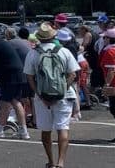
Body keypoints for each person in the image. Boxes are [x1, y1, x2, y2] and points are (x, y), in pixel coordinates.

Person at [24, 23, 80, 168]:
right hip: (64, 96)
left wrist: (40, 95)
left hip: (42, 96)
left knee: (46, 130)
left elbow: (29, 77)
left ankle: (51, 160)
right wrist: (62, 90)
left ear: (39, 38)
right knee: (63, 128)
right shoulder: (64, 51)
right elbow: (73, 73)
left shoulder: (33, 53)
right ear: (54, 36)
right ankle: (61, 162)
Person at [0, 29, 30, 140]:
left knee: (5, 104)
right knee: (16, 102)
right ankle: (23, 131)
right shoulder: (2, 43)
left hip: (9, 78)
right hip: (18, 75)